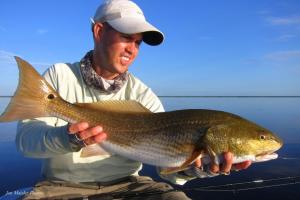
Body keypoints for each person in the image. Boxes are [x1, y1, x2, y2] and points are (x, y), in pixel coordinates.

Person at [16, 0, 251, 199]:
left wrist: (198, 170)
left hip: (130, 186)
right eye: (126, 37)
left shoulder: (143, 94)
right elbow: (26, 141)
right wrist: (69, 138)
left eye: (138, 43)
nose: (133, 49)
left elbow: (167, 168)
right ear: (98, 32)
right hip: (59, 188)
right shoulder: (60, 76)